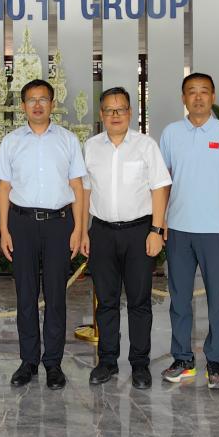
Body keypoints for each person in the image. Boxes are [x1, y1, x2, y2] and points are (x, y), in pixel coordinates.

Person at [0, 79, 87, 390]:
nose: (37, 105)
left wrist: (79, 229)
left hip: (58, 224)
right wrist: (4, 229)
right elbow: (4, 188)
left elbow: (77, 187)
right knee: (25, 295)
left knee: (56, 296)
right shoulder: (11, 141)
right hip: (22, 224)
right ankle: (28, 361)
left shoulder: (67, 140)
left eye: (43, 99)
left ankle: (53, 363)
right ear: (23, 106)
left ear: (52, 104)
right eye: (32, 100)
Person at [158, 72, 219, 389]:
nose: (198, 97)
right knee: (179, 299)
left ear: (213, 97)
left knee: (218, 299)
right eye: (191, 91)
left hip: (216, 231)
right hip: (178, 230)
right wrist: (160, 221)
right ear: (183, 98)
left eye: (204, 91)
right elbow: (163, 182)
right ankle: (183, 359)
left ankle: (215, 361)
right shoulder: (171, 133)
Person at [81, 87, 171, 389]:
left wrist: (156, 231)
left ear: (130, 112)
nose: (115, 114)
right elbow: (84, 191)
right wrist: (83, 231)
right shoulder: (91, 147)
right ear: (101, 114)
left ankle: (140, 363)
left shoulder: (146, 146)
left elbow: (159, 188)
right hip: (102, 232)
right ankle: (107, 361)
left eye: (120, 109)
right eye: (109, 109)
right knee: (106, 301)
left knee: (139, 301)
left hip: (139, 233)